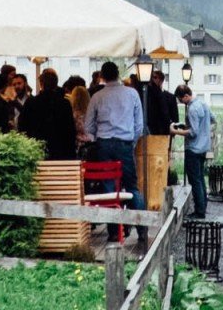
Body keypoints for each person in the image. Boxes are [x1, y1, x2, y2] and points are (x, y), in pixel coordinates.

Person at [84, 60, 146, 245]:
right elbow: (139, 125)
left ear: (102, 76)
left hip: (104, 145)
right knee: (132, 186)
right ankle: (142, 229)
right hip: (125, 143)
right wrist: (131, 142)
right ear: (118, 74)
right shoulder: (132, 93)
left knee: (109, 187)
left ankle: (113, 232)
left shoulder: (97, 96)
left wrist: (97, 138)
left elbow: (88, 125)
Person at [174, 84, 213, 219]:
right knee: (201, 179)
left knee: (195, 180)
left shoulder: (192, 109)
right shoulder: (203, 103)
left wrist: (177, 131)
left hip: (193, 148)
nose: (180, 102)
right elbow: (212, 119)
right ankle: (203, 206)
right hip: (204, 147)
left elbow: (193, 132)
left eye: (180, 99)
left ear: (186, 96)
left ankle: (199, 211)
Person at [21, 68, 77, 161]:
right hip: (60, 149)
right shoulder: (64, 103)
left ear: (41, 84)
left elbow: (23, 126)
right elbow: (70, 129)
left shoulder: (31, 102)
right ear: (56, 84)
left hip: (36, 148)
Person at [144, 71, 176, 138]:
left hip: (164, 133)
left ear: (161, 80)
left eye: (155, 77)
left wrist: (172, 131)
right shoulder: (146, 96)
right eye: (151, 77)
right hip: (149, 131)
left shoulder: (170, 97)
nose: (152, 80)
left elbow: (174, 118)